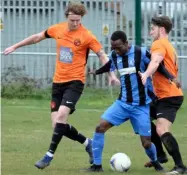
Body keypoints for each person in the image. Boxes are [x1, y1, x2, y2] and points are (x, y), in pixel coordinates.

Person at [3, 2, 119, 170]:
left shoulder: (87, 35)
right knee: (57, 125)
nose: (75, 23)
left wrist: (112, 75)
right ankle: (88, 143)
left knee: (62, 116)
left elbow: (102, 55)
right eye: (72, 20)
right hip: (58, 82)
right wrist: (15, 46)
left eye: (78, 20)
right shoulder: (57, 29)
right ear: (67, 17)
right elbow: (36, 37)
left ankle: (48, 156)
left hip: (75, 82)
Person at [86, 30, 164, 172]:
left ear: (127, 43)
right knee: (100, 127)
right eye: (113, 48)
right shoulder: (115, 55)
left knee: (146, 143)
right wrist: (97, 72)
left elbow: (158, 64)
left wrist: (170, 77)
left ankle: (156, 162)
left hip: (141, 106)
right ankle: (96, 166)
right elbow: (109, 65)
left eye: (119, 47)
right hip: (122, 104)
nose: (116, 50)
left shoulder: (141, 52)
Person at [139, 16, 187, 174]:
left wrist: (146, 74)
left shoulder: (158, 44)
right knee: (143, 116)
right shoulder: (169, 45)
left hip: (169, 95)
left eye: (152, 28)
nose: (150, 31)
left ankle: (180, 166)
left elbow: (155, 62)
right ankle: (160, 155)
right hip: (163, 95)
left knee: (161, 128)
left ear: (161, 29)